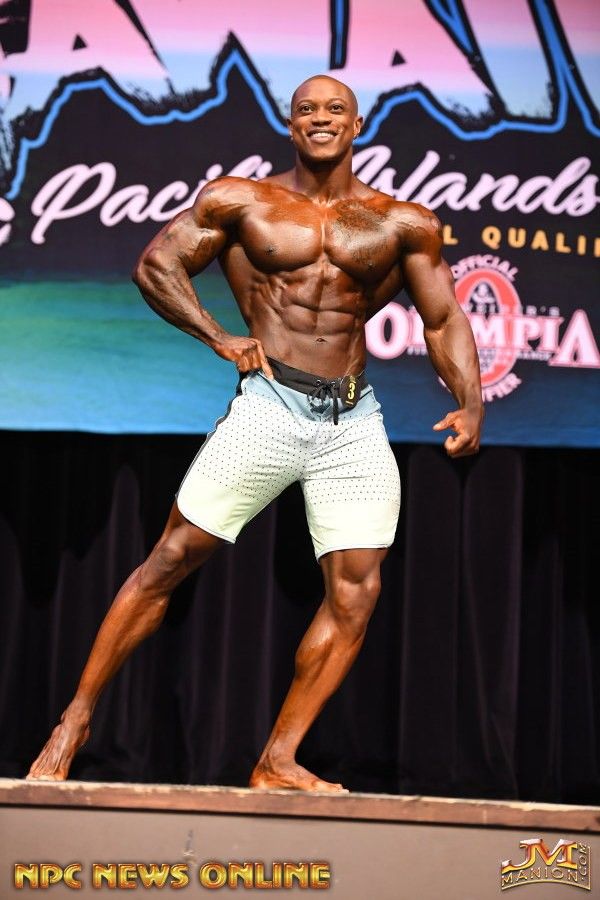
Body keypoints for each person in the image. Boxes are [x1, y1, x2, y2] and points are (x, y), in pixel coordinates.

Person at [27, 75, 483, 792]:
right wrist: (218, 336)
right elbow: (157, 266)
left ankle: (278, 759)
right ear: (291, 124)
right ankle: (74, 721)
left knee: (356, 594)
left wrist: (471, 400)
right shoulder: (241, 201)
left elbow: (444, 317)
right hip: (270, 405)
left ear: (357, 124)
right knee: (171, 558)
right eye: (307, 110)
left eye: (335, 109)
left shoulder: (402, 222)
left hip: (353, 419)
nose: (321, 119)